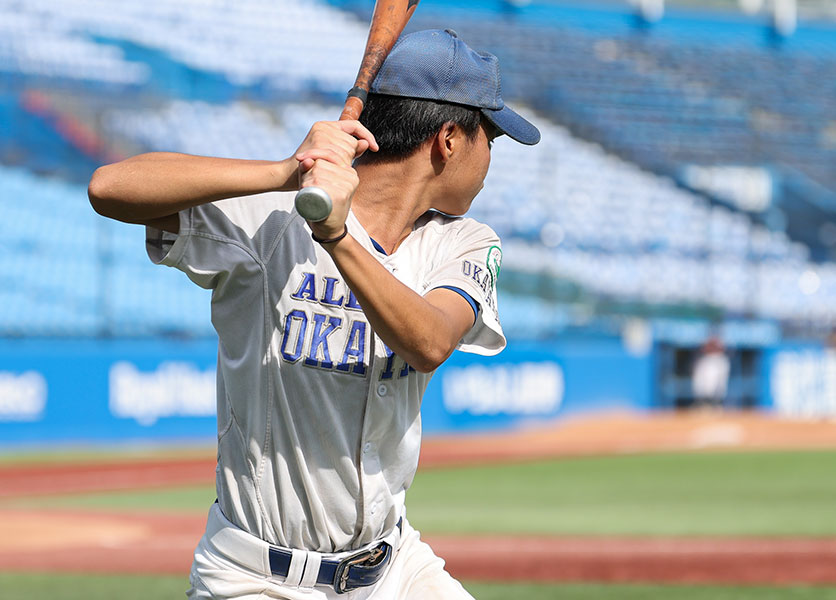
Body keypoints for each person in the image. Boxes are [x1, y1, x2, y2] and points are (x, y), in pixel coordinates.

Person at [88, 29, 540, 600]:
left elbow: (428, 341)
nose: (491, 159)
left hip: (394, 570)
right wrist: (285, 171)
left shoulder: (466, 243)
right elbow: (109, 187)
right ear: (448, 140)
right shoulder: (273, 218)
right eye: (490, 138)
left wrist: (336, 236)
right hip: (255, 579)